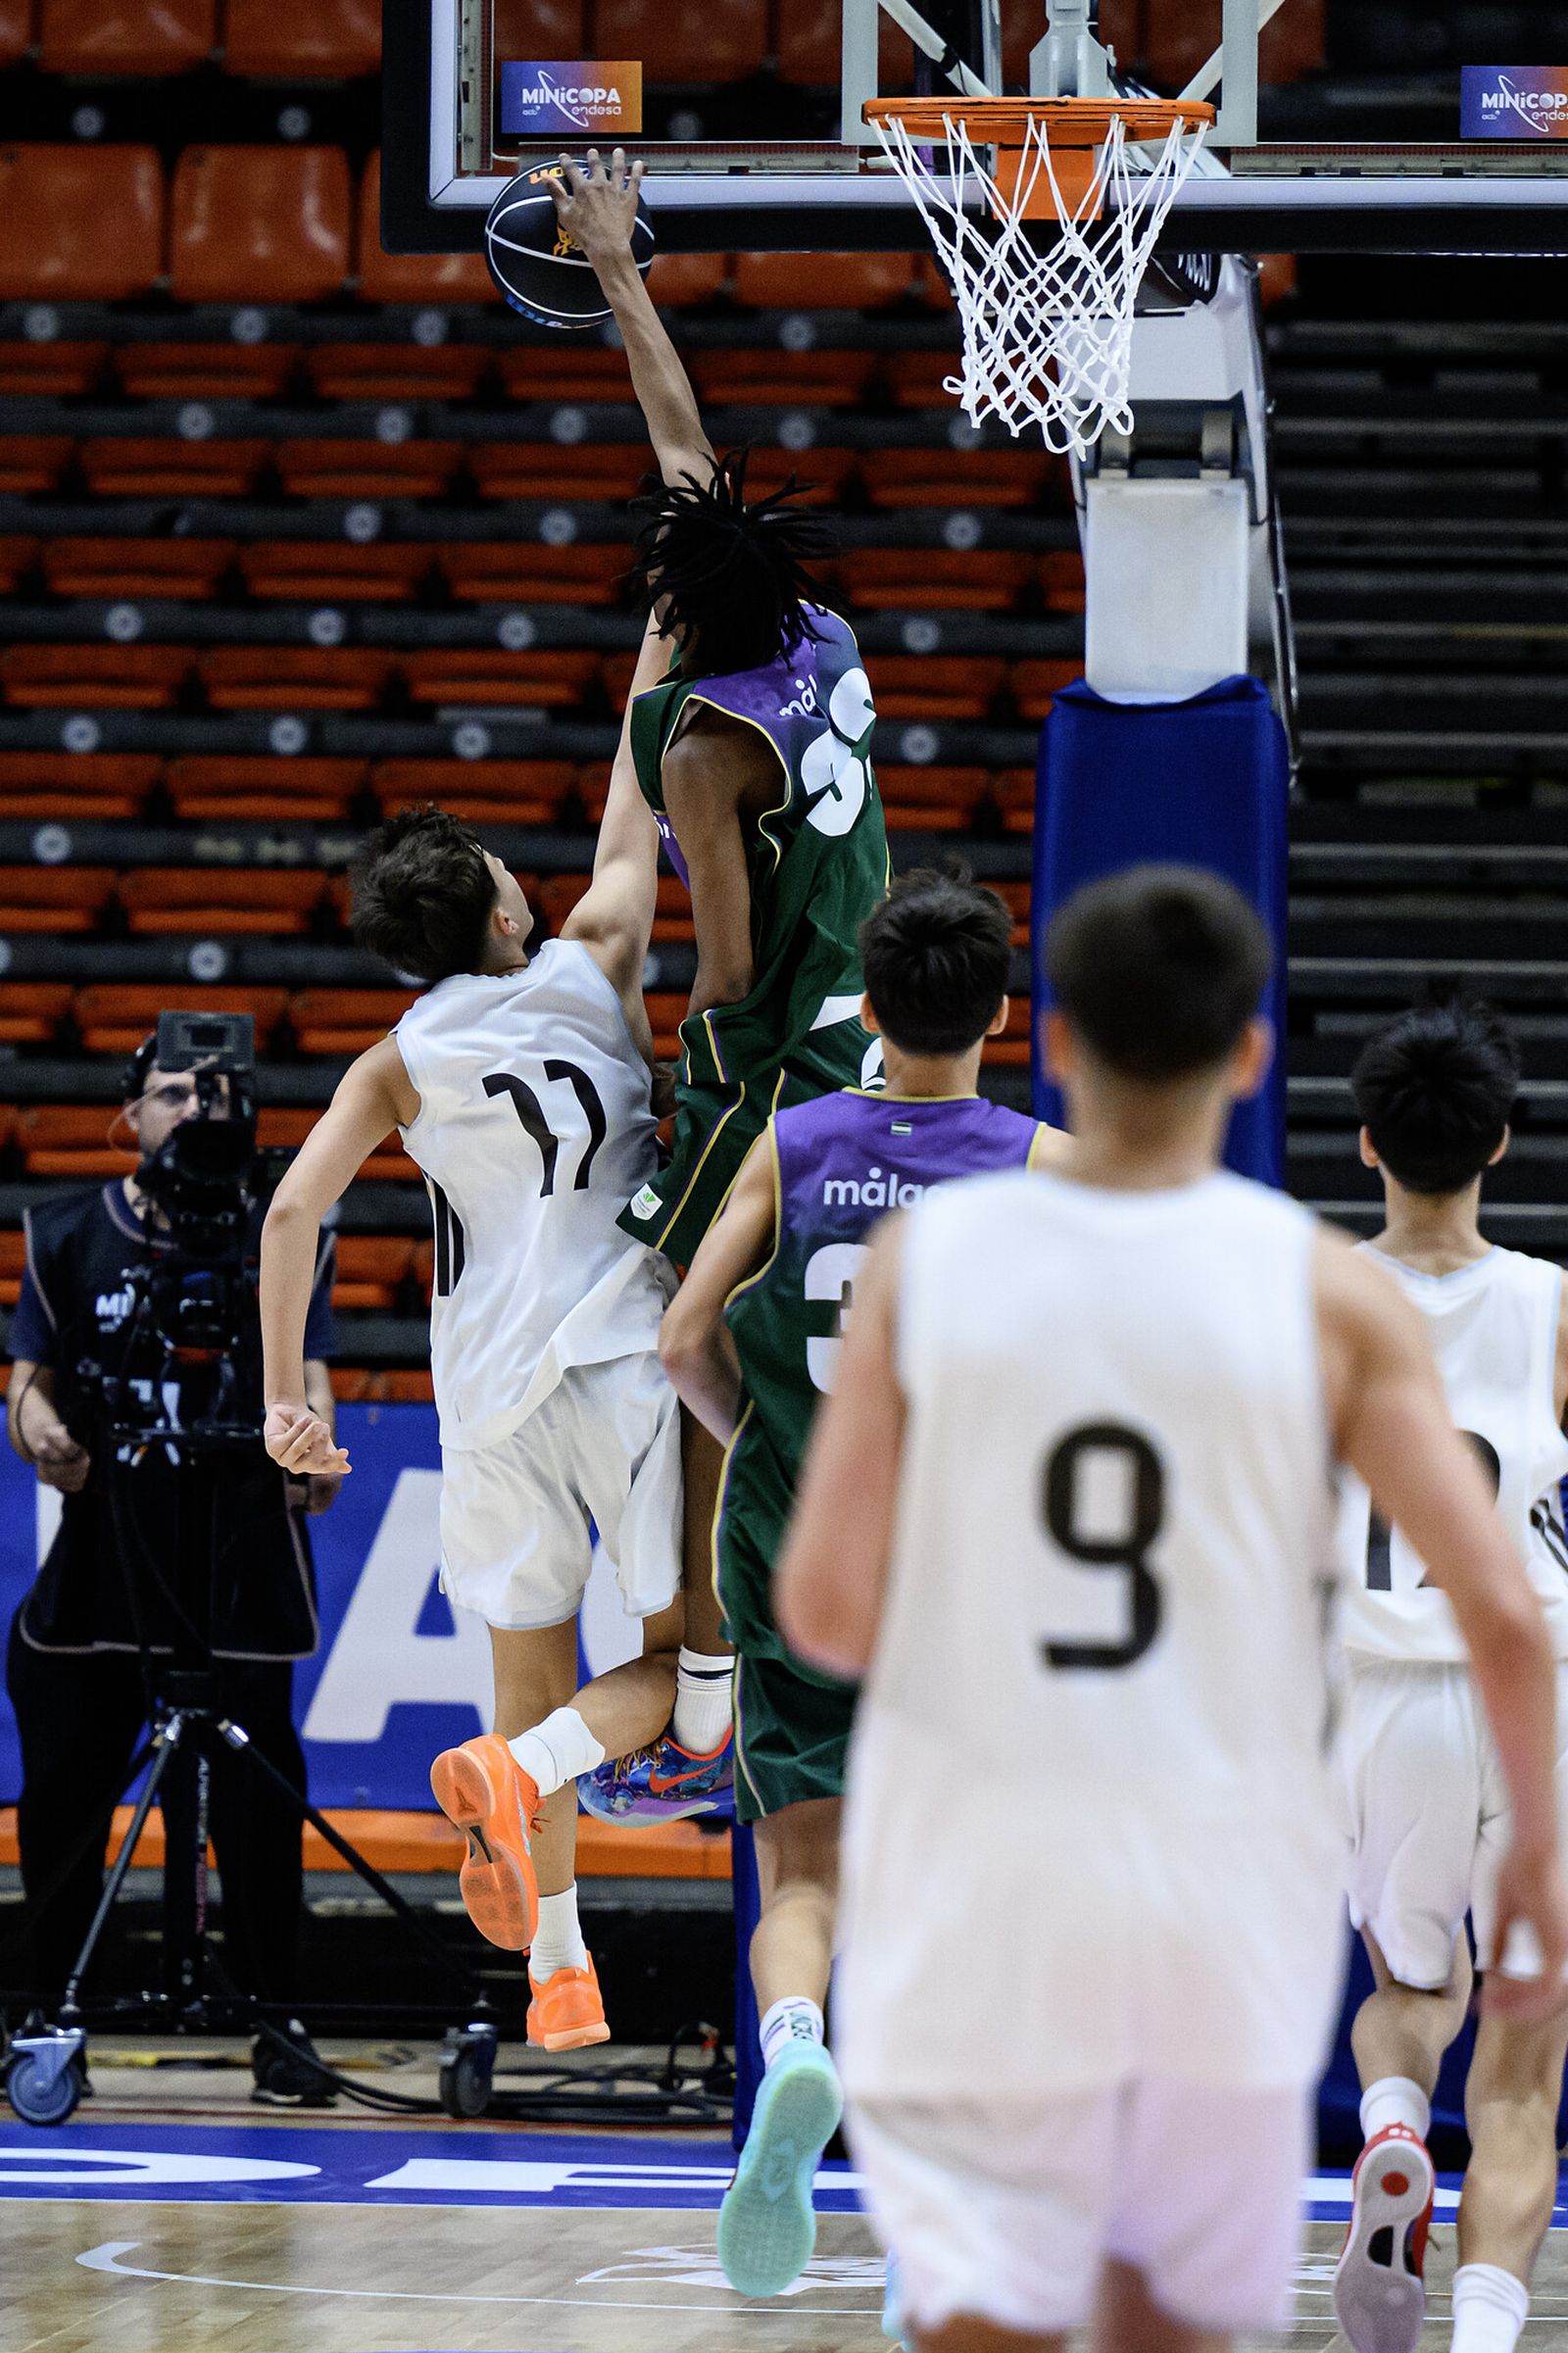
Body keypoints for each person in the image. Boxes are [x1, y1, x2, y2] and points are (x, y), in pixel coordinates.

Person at [775, 864, 1568, 2353]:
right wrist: (1529, 1857)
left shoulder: (933, 1261)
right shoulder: (1323, 1292)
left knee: (984, 2315)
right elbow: (1511, 1618)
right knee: (1171, 2318)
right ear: (1252, 1054)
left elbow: (822, 1606)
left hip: (996, 1844)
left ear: (1057, 1040)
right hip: (1218, 1852)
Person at [260, 619, 718, 2054]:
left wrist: (284, 1399)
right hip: (625, 1355)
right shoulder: (597, 957)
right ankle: (522, 1777)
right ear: (509, 913)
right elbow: (635, 790)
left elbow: (292, 1211)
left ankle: (559, 1970)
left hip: (486, 1387)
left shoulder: (396, 1060)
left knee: (526, 1663)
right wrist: (659, 636)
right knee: (685, 1674)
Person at [652, 870, 1060, 2296]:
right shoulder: (1043, 1165)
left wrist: (768, 1438)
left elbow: (684, 1338)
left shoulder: (794, 1138)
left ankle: (796, 2050)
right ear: (999, 1015)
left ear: (869, 1009)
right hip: (963, 1573)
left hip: (798, 1553)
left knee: (803, 1866)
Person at [547, 150, 892, 1771]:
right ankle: (700, 1660)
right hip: (867, 1008)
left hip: (788, 1054)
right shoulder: (814, 629)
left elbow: (731, 971)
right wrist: (618, 273)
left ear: (685, 611)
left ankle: (701, 1667)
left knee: (672, 1313)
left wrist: (676, 1064)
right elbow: (689, 455)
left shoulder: (701, 750)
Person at [5, 1036, 340, 2104]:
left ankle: (279, 2017)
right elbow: (27, 1381)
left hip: (238, 1557)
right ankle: (48, 2011)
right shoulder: (66, 1231)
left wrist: (315, 1446)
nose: (195, 1108)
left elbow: (313, 1375)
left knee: (259, 1801)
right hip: (109, 1559)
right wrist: (39, 1428)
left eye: (215, 1090)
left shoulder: (285, 1228)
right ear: (131, 1111)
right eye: (172, 1091)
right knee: (65, 1790)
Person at [1331, 1000, 1568, 2353]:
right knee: (1526, 2068)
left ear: (1367, 1143)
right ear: (1499, 1142)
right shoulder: (1551, 1304)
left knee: (1415, 1993)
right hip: (1535, 1690)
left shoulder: (1314, 1300)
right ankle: (1481, 2335)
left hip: (1381, 1691)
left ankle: (1391, 2127)